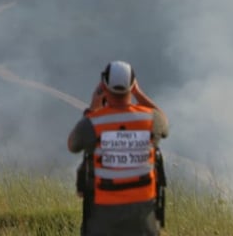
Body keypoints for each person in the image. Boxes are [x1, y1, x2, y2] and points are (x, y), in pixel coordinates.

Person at [68, 60, 170, 236]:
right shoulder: (151, 120)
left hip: (103, 215)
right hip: (143, 215)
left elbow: (73, 145)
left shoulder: (93, 122)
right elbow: (165, 124)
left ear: (104, 87)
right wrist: (138, 92)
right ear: (132, 86)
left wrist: (93, 108)